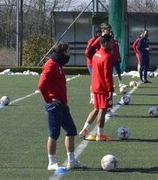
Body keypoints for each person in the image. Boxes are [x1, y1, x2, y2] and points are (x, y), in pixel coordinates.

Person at [37, 42, 84, 170]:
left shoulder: (58, 65)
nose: (70, 53)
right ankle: (51, 162)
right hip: (55, 106)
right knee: (54, 133)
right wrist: (49, 100)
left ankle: (71, 160)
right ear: (62, 52)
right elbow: (41, 85)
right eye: (68, 50)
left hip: (62, 104)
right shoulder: (51, 65)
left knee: (71, 130)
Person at [81, 33, 115, 141]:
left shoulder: (96, 54)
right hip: (102, 88)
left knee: (96, 109)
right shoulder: (107, 57)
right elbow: (107, 75)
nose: (112, 44)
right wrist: (110, 89)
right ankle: (100, 134)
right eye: (110, 42)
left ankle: (85, 129)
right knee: (102, 110)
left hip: (95, 86)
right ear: (105, 43)